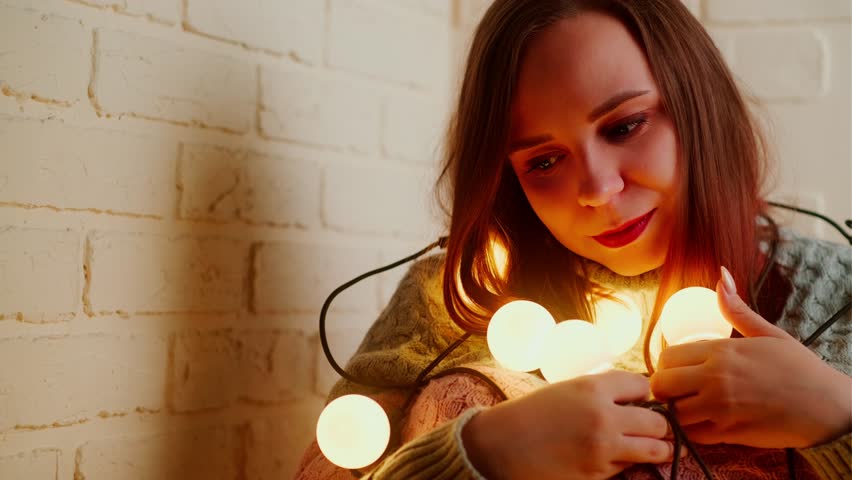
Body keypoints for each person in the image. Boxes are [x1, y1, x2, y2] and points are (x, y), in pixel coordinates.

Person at [295, 0, 852, 478]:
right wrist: (486, 453)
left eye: (625, 126)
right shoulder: (451, 302)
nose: (597, 189)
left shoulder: (837, 293)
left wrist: (838, 416)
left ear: (697, 104)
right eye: (543, 160)